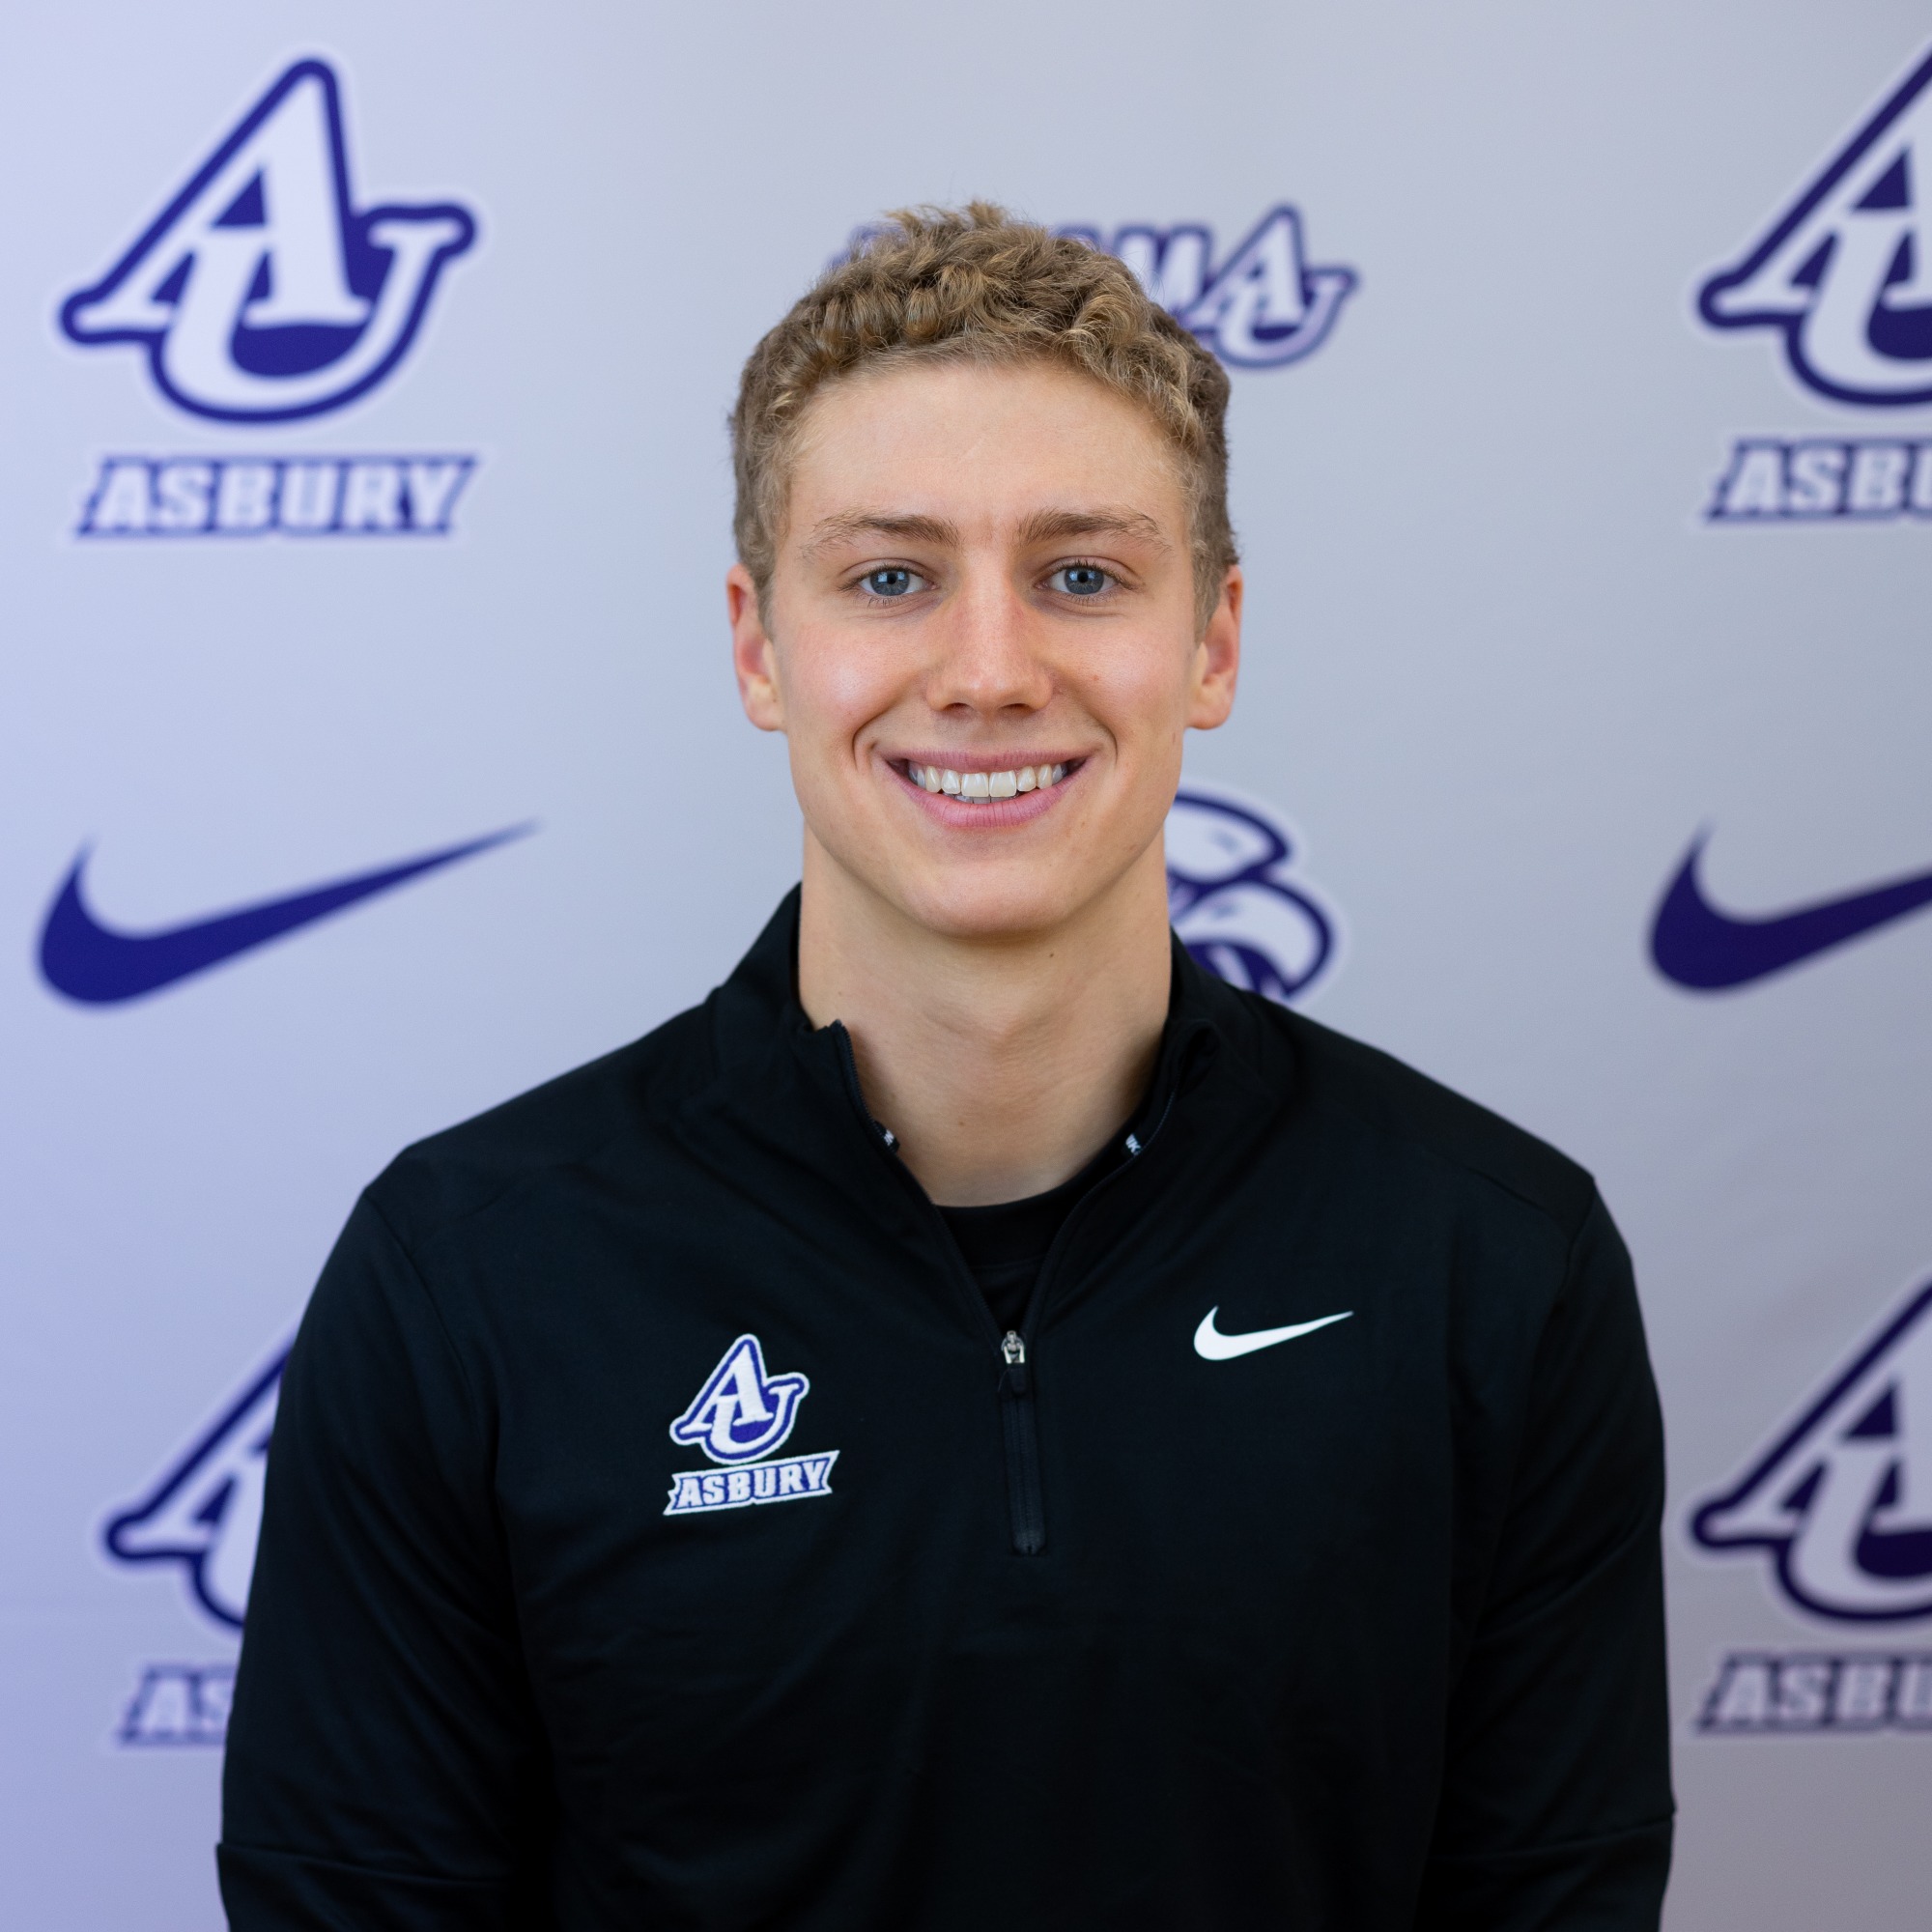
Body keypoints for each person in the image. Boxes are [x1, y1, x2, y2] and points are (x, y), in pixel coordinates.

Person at [220, 203, 1672, 1930]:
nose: (989, 674)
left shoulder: (1491, 1263)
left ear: (1211, 643)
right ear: (761, 647)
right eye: (892, 578)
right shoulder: (466, 1278)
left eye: (1083, 576)